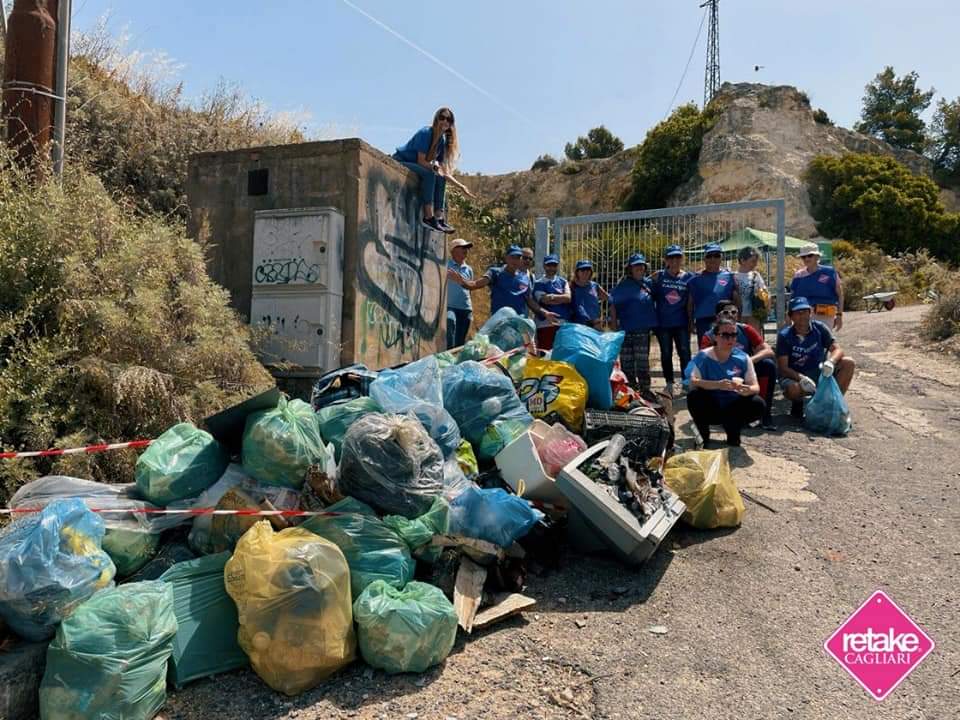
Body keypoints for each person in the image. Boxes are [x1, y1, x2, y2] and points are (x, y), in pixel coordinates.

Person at [687, 316, 766, 447]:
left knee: (758, 403)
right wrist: (717, 385)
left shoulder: (743, 358)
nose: (730, 339)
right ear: (715, 337)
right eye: (725, 335)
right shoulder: (703, 356)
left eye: (733, 335)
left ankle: (733, 428)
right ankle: (703, 432)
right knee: (694, 396)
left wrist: (747, 390)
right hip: (711, 404)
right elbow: (693, 381)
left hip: (733, 406)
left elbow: (755, 387)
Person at [700, 301, 777, 430]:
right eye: (726, 312)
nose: (730, 315)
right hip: (721, 373)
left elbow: (768, 351)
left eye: (734, 312)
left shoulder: (746, 329)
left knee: (768, 366)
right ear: (718, 317)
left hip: (743, 370)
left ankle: (765, 414)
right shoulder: (709, 336)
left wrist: (748, 361)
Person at [776, 296, 855, 418]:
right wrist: (801, 378)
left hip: (819, 371)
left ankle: (832, 404)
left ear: (811, 313)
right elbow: (783, 368)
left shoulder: (820, 328)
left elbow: (837, 349)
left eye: (805, 311)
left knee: (848, 363)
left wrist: (831, 362)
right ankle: (797, 403)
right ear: (791, 316)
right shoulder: (784, 336)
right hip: (795, 375)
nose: (802, 316)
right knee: (793, 389)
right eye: (798, 313)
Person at [393, 107, 463, 234]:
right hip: (401, 161)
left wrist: (462, 187)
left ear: (451, 124)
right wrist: (435, 169)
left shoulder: (441, 141)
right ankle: (428, 217)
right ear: (436, 119)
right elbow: (421, 161)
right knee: (430, 174)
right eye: (442, 117)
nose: (445, 121)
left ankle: (439, 218)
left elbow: (443, 171)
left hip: (416, 164)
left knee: (440, 177)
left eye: (448, 119)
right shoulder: (425, 133)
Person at [447, 244, 560, 323]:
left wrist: (545, 313)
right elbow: (476, 284)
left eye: (518, 257)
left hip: (518, 325)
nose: (515, 260)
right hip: (499, 324)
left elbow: (530, 301)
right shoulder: (495, 273)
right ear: (506, 258)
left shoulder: (525, 278)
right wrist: (462, 281)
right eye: (512, 257)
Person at [609, 253, 657, 395]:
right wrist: (614, 326)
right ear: (630, 268)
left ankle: (645, 390)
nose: (639, 268)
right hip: (625, 330)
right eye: (636, 266)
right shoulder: (622, 286)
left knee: (642, 363)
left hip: (642, 330)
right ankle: (630, 391)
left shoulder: (649, 284)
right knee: (627, 363)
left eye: (642, 265)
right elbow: (613, 305)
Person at [650, 244, 694, 396]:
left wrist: (691, 321)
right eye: (671, 257)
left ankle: (686, 383)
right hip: (663, 324)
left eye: (677, 257)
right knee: (666, 353)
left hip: (681, 323)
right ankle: (669, 383)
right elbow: (647, 294)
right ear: (665, 260)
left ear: (682, 258)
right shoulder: (658, 276)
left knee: (685, 352)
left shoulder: (688, 277)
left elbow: (690, 302)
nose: (674, 260)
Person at [688, 243, 740, 344]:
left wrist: (738, 318)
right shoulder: (695, 279)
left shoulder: (730, 277)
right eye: (709, 256)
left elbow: (737, 300)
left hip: (725, 319)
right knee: (706, 348)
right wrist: (690, 322)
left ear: (721, 258)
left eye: (716, 255)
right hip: (703, 321)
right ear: (704, 258)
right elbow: (690, 303)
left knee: (726, 347)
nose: (713, 259)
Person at [790, 243, 844, 330]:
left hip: (826, 316)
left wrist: (839, 315)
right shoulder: (798, 275)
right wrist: (789, 316)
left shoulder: (829, 273)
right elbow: (793, 299)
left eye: (810, 255)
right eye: (803, 257)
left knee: (824, 338)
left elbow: (840, 295)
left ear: (817, 257)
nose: (806, 259)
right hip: (803, 316)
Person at [532, 254, 572, 349]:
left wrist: (551, 296)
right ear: (544, 266)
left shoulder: (563, 281)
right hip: (544, 325)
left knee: (561, 354)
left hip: (562, 324)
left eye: (554, 265)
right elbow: (545, 300)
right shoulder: (538, 283)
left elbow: (568, 298)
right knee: (546, 355)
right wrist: (560, 298)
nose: (551, 268)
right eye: (549, 265)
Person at [446, 238, 474, 349]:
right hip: (450, 306)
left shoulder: (468, 269)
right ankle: (448, 351)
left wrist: (471, 308)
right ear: (453, 250)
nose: (466, 250)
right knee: (450, 321)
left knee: (460, 341)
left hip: (465, 308)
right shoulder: (446, 265)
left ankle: (456, 356)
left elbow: (470, 288)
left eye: (467, 248)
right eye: (463, 247)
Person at [734, 246, 769, 334]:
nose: (755, 264)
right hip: (738, 316)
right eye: (753, 261)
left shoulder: (756, 275)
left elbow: (765, 293)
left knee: (754, 338)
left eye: (756, 261)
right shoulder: (733, 276)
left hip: (753, 315)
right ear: (742, 260)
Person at [570, 259, 608, 329]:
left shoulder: (595, 285)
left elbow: (608, 298)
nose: (585, 272)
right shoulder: (571, 286)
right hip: (578, 325)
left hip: (596, 324)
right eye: (582, 270)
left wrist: (606, 316)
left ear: (591, 271)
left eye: (588, 269)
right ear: (577, 272)